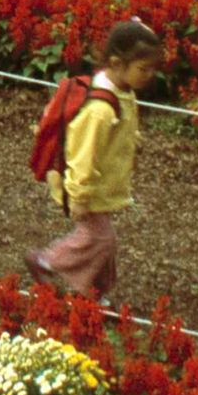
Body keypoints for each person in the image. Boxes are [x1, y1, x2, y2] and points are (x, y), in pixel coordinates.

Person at [29, 17, 155, 296]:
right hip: (86, 185)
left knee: (103, 239)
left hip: (103, 182)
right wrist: (79, 196)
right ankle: (47, 262)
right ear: (117, 63)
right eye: (143, 68)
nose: (150, 75)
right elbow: (82, 154)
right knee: (100, 238)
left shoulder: (123, 91)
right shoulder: (100, 108)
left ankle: (95, 291)